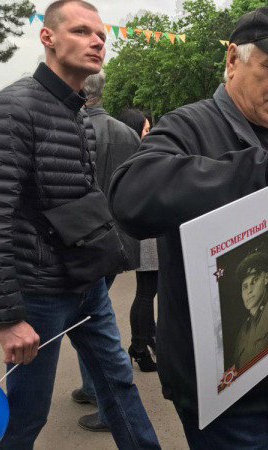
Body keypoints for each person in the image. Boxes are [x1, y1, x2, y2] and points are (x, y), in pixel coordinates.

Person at [108, 6, 268, 447]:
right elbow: (130, 194)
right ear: (232, 60)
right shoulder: (191, 125)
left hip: (265, 361)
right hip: (218, 382)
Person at [0, 1, 160, 448]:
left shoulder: (81, 117)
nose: (97, 42)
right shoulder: (12, 108)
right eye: (82, 31)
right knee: (26, 416)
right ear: (47, 37)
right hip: (39, 295)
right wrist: (8, 319)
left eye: (101, 35)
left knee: (120, 387)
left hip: (88, 284)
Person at [70, 71, 145, 433]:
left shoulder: (73, 128)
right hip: (121, 237)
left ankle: (104, 402)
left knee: (91, 320)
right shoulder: (127, 132)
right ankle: (92, 388)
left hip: (86, 239)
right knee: (91, 315)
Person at [118, 108, 158, 372]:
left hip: (146, 232)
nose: (149, 133)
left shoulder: (133, 155)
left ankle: (147, 341)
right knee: (146, 292)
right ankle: (139, 347)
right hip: (148, 234)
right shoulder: (139, 157)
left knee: (147, 291)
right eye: (146, 129)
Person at [232, 252, 268, 370]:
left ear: (266, 278)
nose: (249, 291)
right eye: (245, 286)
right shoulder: (242, 333)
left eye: (255, 280)